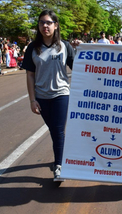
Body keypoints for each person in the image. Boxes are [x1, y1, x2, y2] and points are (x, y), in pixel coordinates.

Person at [22, 10, 77, 182]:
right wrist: (32, 99)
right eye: (41, 23)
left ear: (56, 25)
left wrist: (82, 49)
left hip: (61, 94)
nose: (44, 26)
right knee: (54, 130)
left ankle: (59, 167)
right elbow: (30, 75)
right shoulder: (32, 48)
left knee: (58, 130)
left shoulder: (65, 46)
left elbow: (79, 67)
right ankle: (63, 156)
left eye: (48, 22)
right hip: (42, 96)